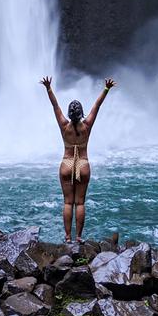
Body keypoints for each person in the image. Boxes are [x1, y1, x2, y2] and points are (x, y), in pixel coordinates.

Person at [40, 75, 116, 243]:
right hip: (82, 163)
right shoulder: (87, 125)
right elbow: (97, 105)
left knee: (68, 203)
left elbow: (55, 105)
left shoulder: (63, 125)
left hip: (67, 163)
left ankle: (67, 237)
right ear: (81, 113)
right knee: (80, 203)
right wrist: (106, 88)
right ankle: (79, 237)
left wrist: (48, 88)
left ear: (69, 113)